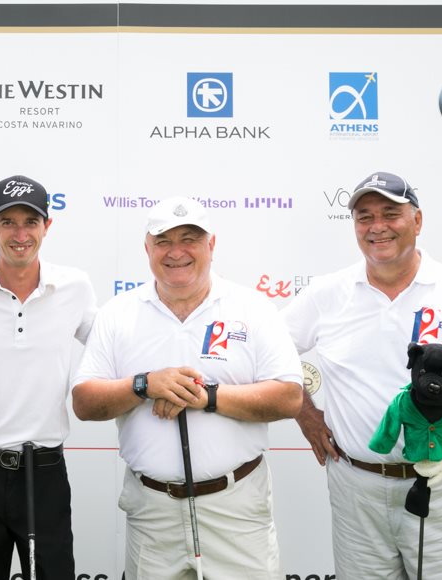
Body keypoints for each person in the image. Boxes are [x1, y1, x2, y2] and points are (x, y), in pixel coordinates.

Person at [282, 171, 442, 579]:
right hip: (357, 493)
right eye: (364, 217)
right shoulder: (326, 293)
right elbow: (270, 354)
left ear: (417, 220)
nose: (377, 226)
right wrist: (305, 413)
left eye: (390, 214)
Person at [72, 196, 303, 580]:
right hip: (153, 513)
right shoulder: (118, 312)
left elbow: (289, 397)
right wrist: (145, 385)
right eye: (163, 241)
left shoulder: (253, 307)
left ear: (211, 244)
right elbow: (84, 402)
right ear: (147, 248)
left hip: (236, 511)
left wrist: (204, 396)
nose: (176, 252)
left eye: (189, 239)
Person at [0, 175, 97, 580]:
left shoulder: (75, 287)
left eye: (30, 222)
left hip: (43, 469)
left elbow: (110, 350)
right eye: (7, 222)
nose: (20, 234)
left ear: (47, 226)